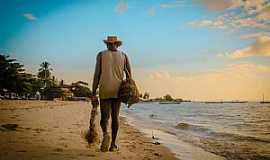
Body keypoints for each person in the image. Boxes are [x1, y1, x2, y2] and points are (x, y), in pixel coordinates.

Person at [91, 36, 132, 152]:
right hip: (118, 90)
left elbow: (97, 74)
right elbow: (130, 78)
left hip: (105, 89)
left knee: (105, 117)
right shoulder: (124, 56)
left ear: (107, 44)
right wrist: (129, 92)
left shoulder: (101, 55)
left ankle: (106, 134)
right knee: (115, 117)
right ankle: (113, 145)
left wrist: (93, 92)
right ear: (117, 44)